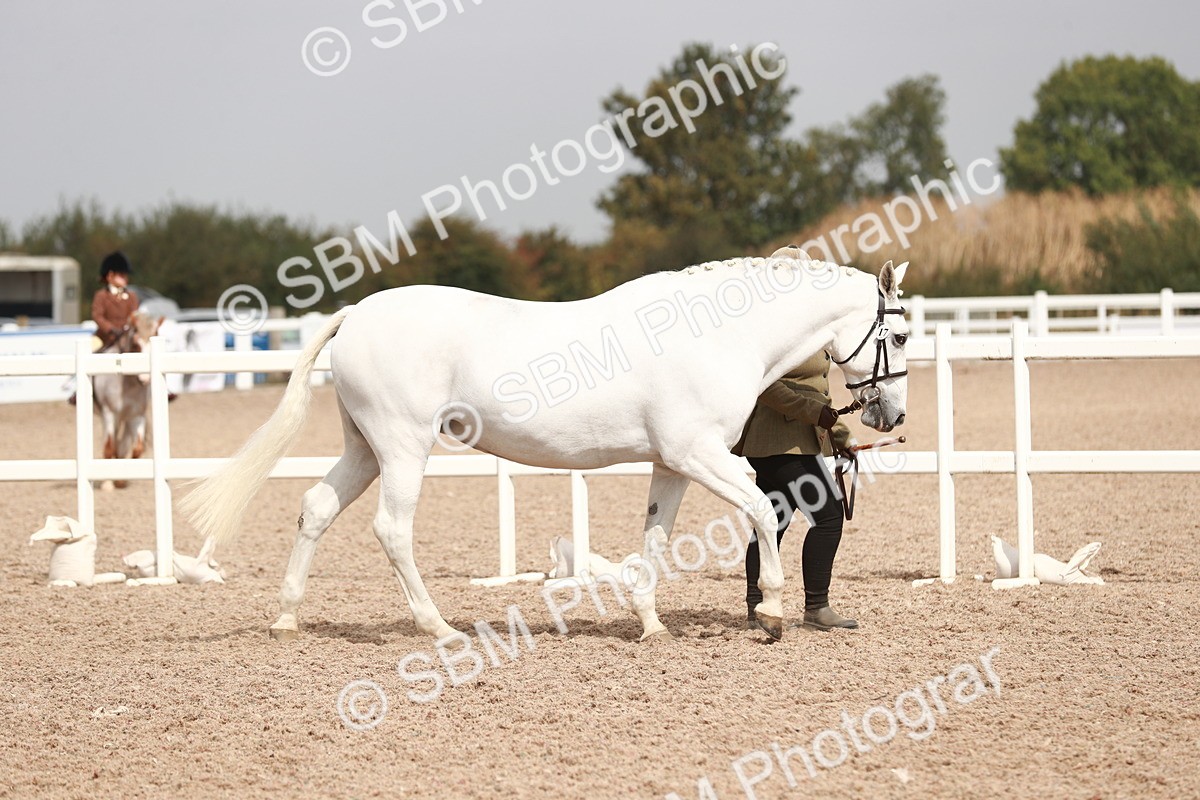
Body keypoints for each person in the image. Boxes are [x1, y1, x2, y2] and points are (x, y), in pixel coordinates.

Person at [732, 248, 859, 632]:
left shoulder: (806, 324)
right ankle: (816, 607)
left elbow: (820, 390)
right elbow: (766, 387)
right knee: (828, 516)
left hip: (792, 440)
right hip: (775, 439)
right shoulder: (771, 328)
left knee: (774, 519)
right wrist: (813, 414)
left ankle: (758, 607)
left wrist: (839, 435)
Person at [68, 252, 140, 406]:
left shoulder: (132, 296)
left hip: (126, 336)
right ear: (110, 276)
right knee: (89, 351)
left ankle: (163, 387)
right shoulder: (101, 296)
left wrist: (128, 328)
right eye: (122, 275)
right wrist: (111, 329)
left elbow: (135, 315)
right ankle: (79, 389)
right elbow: (97, 316)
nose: (126, 278)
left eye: (126, 275)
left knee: (144, 349)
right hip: (105, 336)